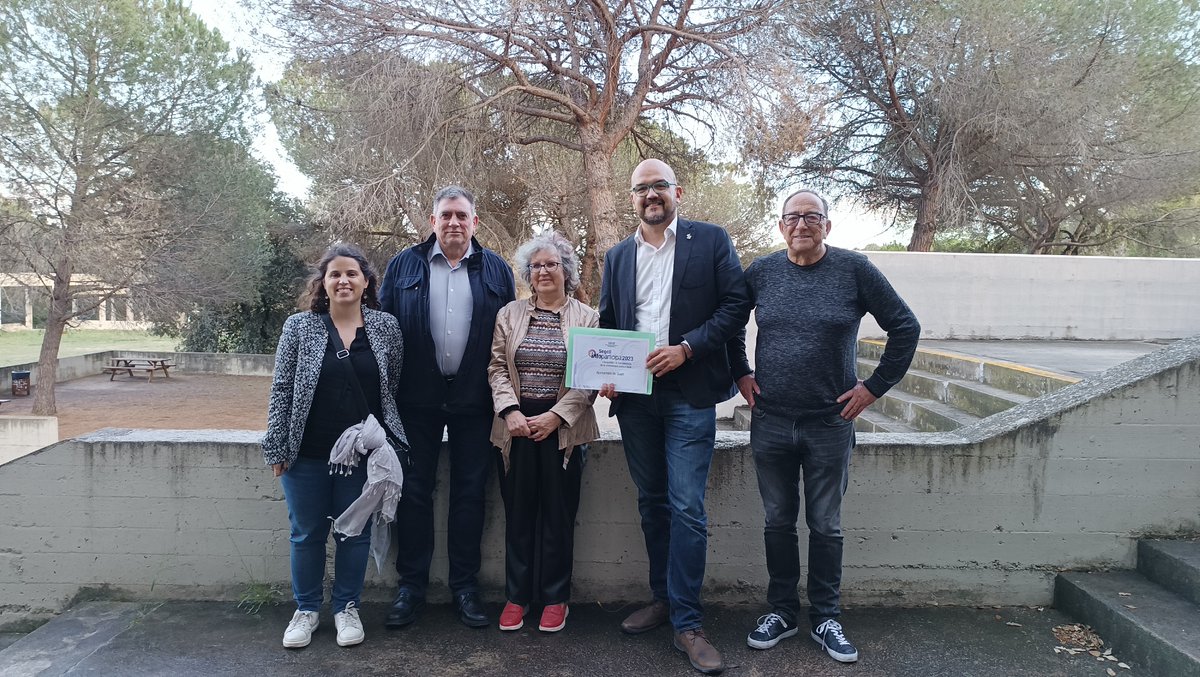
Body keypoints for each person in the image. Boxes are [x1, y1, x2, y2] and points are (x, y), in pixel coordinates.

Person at [733, 189, 919, 664]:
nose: (801, 225)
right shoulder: (762, 272)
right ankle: (782, 612)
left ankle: (826, 617)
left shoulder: (854, 270)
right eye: (792, 218)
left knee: (826, 525)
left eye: (812, 217)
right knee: (777, 521)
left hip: (829, 424)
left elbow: (905, 326)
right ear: (780, 227)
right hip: (771, 421)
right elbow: (729, 323)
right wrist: (740, 372)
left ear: (827, 226)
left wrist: (874, 387)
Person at [598, 159, 751, 675]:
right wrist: (606, 369)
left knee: (687, 507)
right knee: (652, 502)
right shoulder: (618, 256)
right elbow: (610, 322)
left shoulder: (710, 241)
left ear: (677, 191)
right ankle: (663, 599)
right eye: (640, 188)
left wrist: (687, 348)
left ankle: (688, 623)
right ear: (633, 198)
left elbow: (735, 306)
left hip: (689, 393)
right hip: (637, 399)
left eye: (658, 186)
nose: (650, 195)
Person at [378, 185, 516, 629]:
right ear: (432, 222)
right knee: (413, 490)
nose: (454, 222)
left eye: (462, 215)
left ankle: (465, 587)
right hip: (415, 398)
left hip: (475, 399)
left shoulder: (496, 268)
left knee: (470, 493)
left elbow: (507, 335)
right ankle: (411, 587)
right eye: (446, 215)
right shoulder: (404, 265)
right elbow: (381, 329)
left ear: (475, 223)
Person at [262, 243, 408, 649]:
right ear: (323, 284)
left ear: (366, 282)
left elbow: (389, 388)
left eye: (352, 274)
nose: (343, 281)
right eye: (335, 275)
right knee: (306, 534)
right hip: (306, 451)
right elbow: (282, 389)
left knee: (354, 535)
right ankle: (306, 611)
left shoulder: (386, 327)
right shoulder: (299, 327)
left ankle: (347, 608)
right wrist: (277, 446)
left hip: (362, 456)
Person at [488, 231, 600, 634]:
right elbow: (497, 368)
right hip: (515, 429)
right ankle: (517, 597)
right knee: (518, 515)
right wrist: (510, 411)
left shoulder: (587, 317)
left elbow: (589, 380)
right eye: (537, 265)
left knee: (558, 516)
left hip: (563, 431)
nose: (544, 271)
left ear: (565, 271)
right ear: (527, 273)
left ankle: (555, 598)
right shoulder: (509, 314)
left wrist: (556, 416)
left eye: (552, 264)